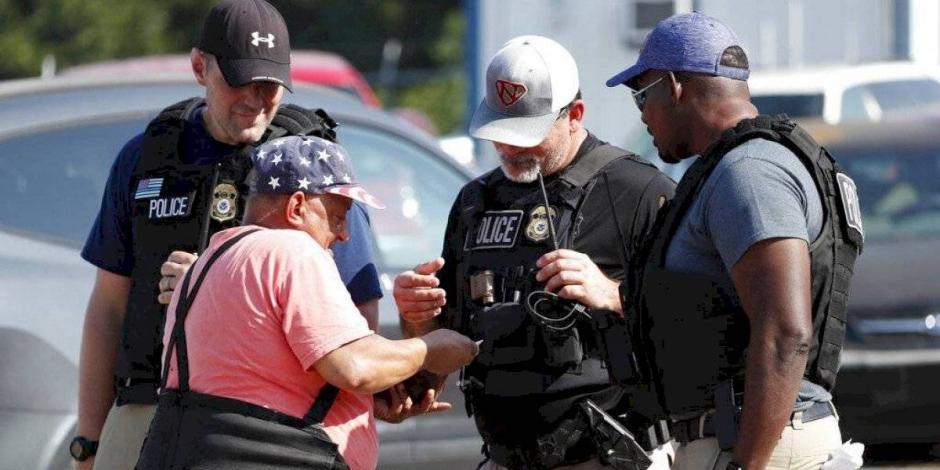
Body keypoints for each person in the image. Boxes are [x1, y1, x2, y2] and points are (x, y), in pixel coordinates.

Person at [74, 1, 383, 468]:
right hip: (144, 408)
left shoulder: (310, 164)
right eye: (240, 80)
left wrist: (209, 289)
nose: (255, 99)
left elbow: (358, 315)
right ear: (200, 66)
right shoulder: (145, 158)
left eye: (271, 86)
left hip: (263, 425)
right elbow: (107, 308)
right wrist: (88, 443)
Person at [394, 35, 676, 469]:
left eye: (525, 135)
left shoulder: (638, 192)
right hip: (504, 455)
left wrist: (613, 294)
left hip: (611, 455)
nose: (508, 148)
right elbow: (444, 344)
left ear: (574, 115)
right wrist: (418, 316)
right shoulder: (475, 201)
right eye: (499, 134)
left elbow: (697, 322)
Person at [604, 12, 865, 470]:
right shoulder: (740, 166)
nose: (642, 112)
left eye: (641, 94)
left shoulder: (749, 173)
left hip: (761, 445)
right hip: (751, 439)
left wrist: (748, 464)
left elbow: (786, 332)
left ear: (674, 86)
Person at [135, 136, 478, 470]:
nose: (344, 235)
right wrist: (431, 348)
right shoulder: (293, 251)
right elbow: (354, 368)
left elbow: (248, 386)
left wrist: (363, 402)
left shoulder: (205, 265)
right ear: (297, 206)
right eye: (338, 216)